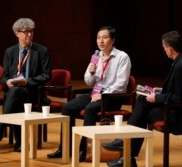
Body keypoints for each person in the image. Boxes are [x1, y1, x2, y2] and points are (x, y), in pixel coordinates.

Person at [102, 30, 182, 167]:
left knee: (143, 112)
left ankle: (127, 151)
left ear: (170, 48)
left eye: (164, 48)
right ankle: (127, 153)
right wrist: (160, 92)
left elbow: (180, 98)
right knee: (142, 102)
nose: (164, 51)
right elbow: (181, 91)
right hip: (181, 108)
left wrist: (157, 97)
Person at [47, 26, 132, 161]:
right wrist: (91, 72)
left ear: (113, 40)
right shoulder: (96, 56)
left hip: (113, 97)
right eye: (99, 38)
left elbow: (121, 83)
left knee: (90, 109)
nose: (101, 41)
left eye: (105, 37)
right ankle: (65, 148)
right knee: (67, 107)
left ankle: (84, 149)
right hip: (95, 94)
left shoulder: (122, 57)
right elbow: (88, 82)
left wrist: (103, 95)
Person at [0, 18, 52, 152]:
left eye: (31, 31)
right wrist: (7, 81)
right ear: (17, 33)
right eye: (25, 32)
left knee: (14, 94)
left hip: (33, 92)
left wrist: (27, 81)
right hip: (14, 93)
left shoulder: (42, 51)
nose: (29, 35)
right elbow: (4, 76)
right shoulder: (10, 51)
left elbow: (47, 75)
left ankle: (0, 129)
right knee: (15, 96)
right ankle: (19, 143)